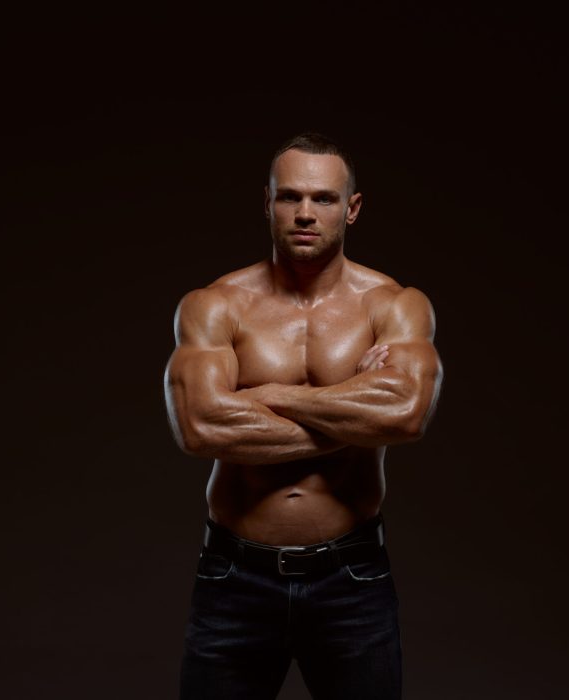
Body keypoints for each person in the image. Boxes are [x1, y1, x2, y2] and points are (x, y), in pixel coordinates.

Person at [164, 132, 443, 699]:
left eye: (324, 199)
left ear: (352, 208)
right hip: (233, 576)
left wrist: (265, 394)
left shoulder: (392, 304)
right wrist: (355, 402)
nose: (305, 214)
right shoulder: (215, 305)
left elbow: (406, 415)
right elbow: (200, 426)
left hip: (352, 576)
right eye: (289, 197)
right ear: (267, 203)